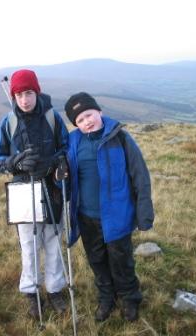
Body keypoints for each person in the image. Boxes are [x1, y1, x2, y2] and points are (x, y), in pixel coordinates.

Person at [62, 92, 154, 322]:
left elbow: (140, 175)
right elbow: (64, 177)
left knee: (121, 260)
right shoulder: (73, 142)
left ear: (99, 112)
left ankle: (130, 298)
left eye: (89, 115)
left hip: (117, 216)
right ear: (76, 124)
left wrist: (144, 213)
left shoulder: (120, 138)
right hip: (86, 216)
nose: (86, 122)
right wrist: (58, 175)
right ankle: (106, 298)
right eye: (80, 120)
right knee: (97, 260)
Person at [0, 69, 69, 319]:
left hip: (52, 189)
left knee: (54, 241)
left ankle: (55, 289)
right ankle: (31, 291)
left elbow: (67, 149)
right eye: (18, 95)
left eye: (28, 93)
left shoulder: (52, 118)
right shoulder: (8, 122)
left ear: (37, 92)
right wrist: (14, 163)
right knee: (29, 244)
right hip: (24, 192)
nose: (24, 100)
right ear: (13, 96)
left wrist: (52, 162)